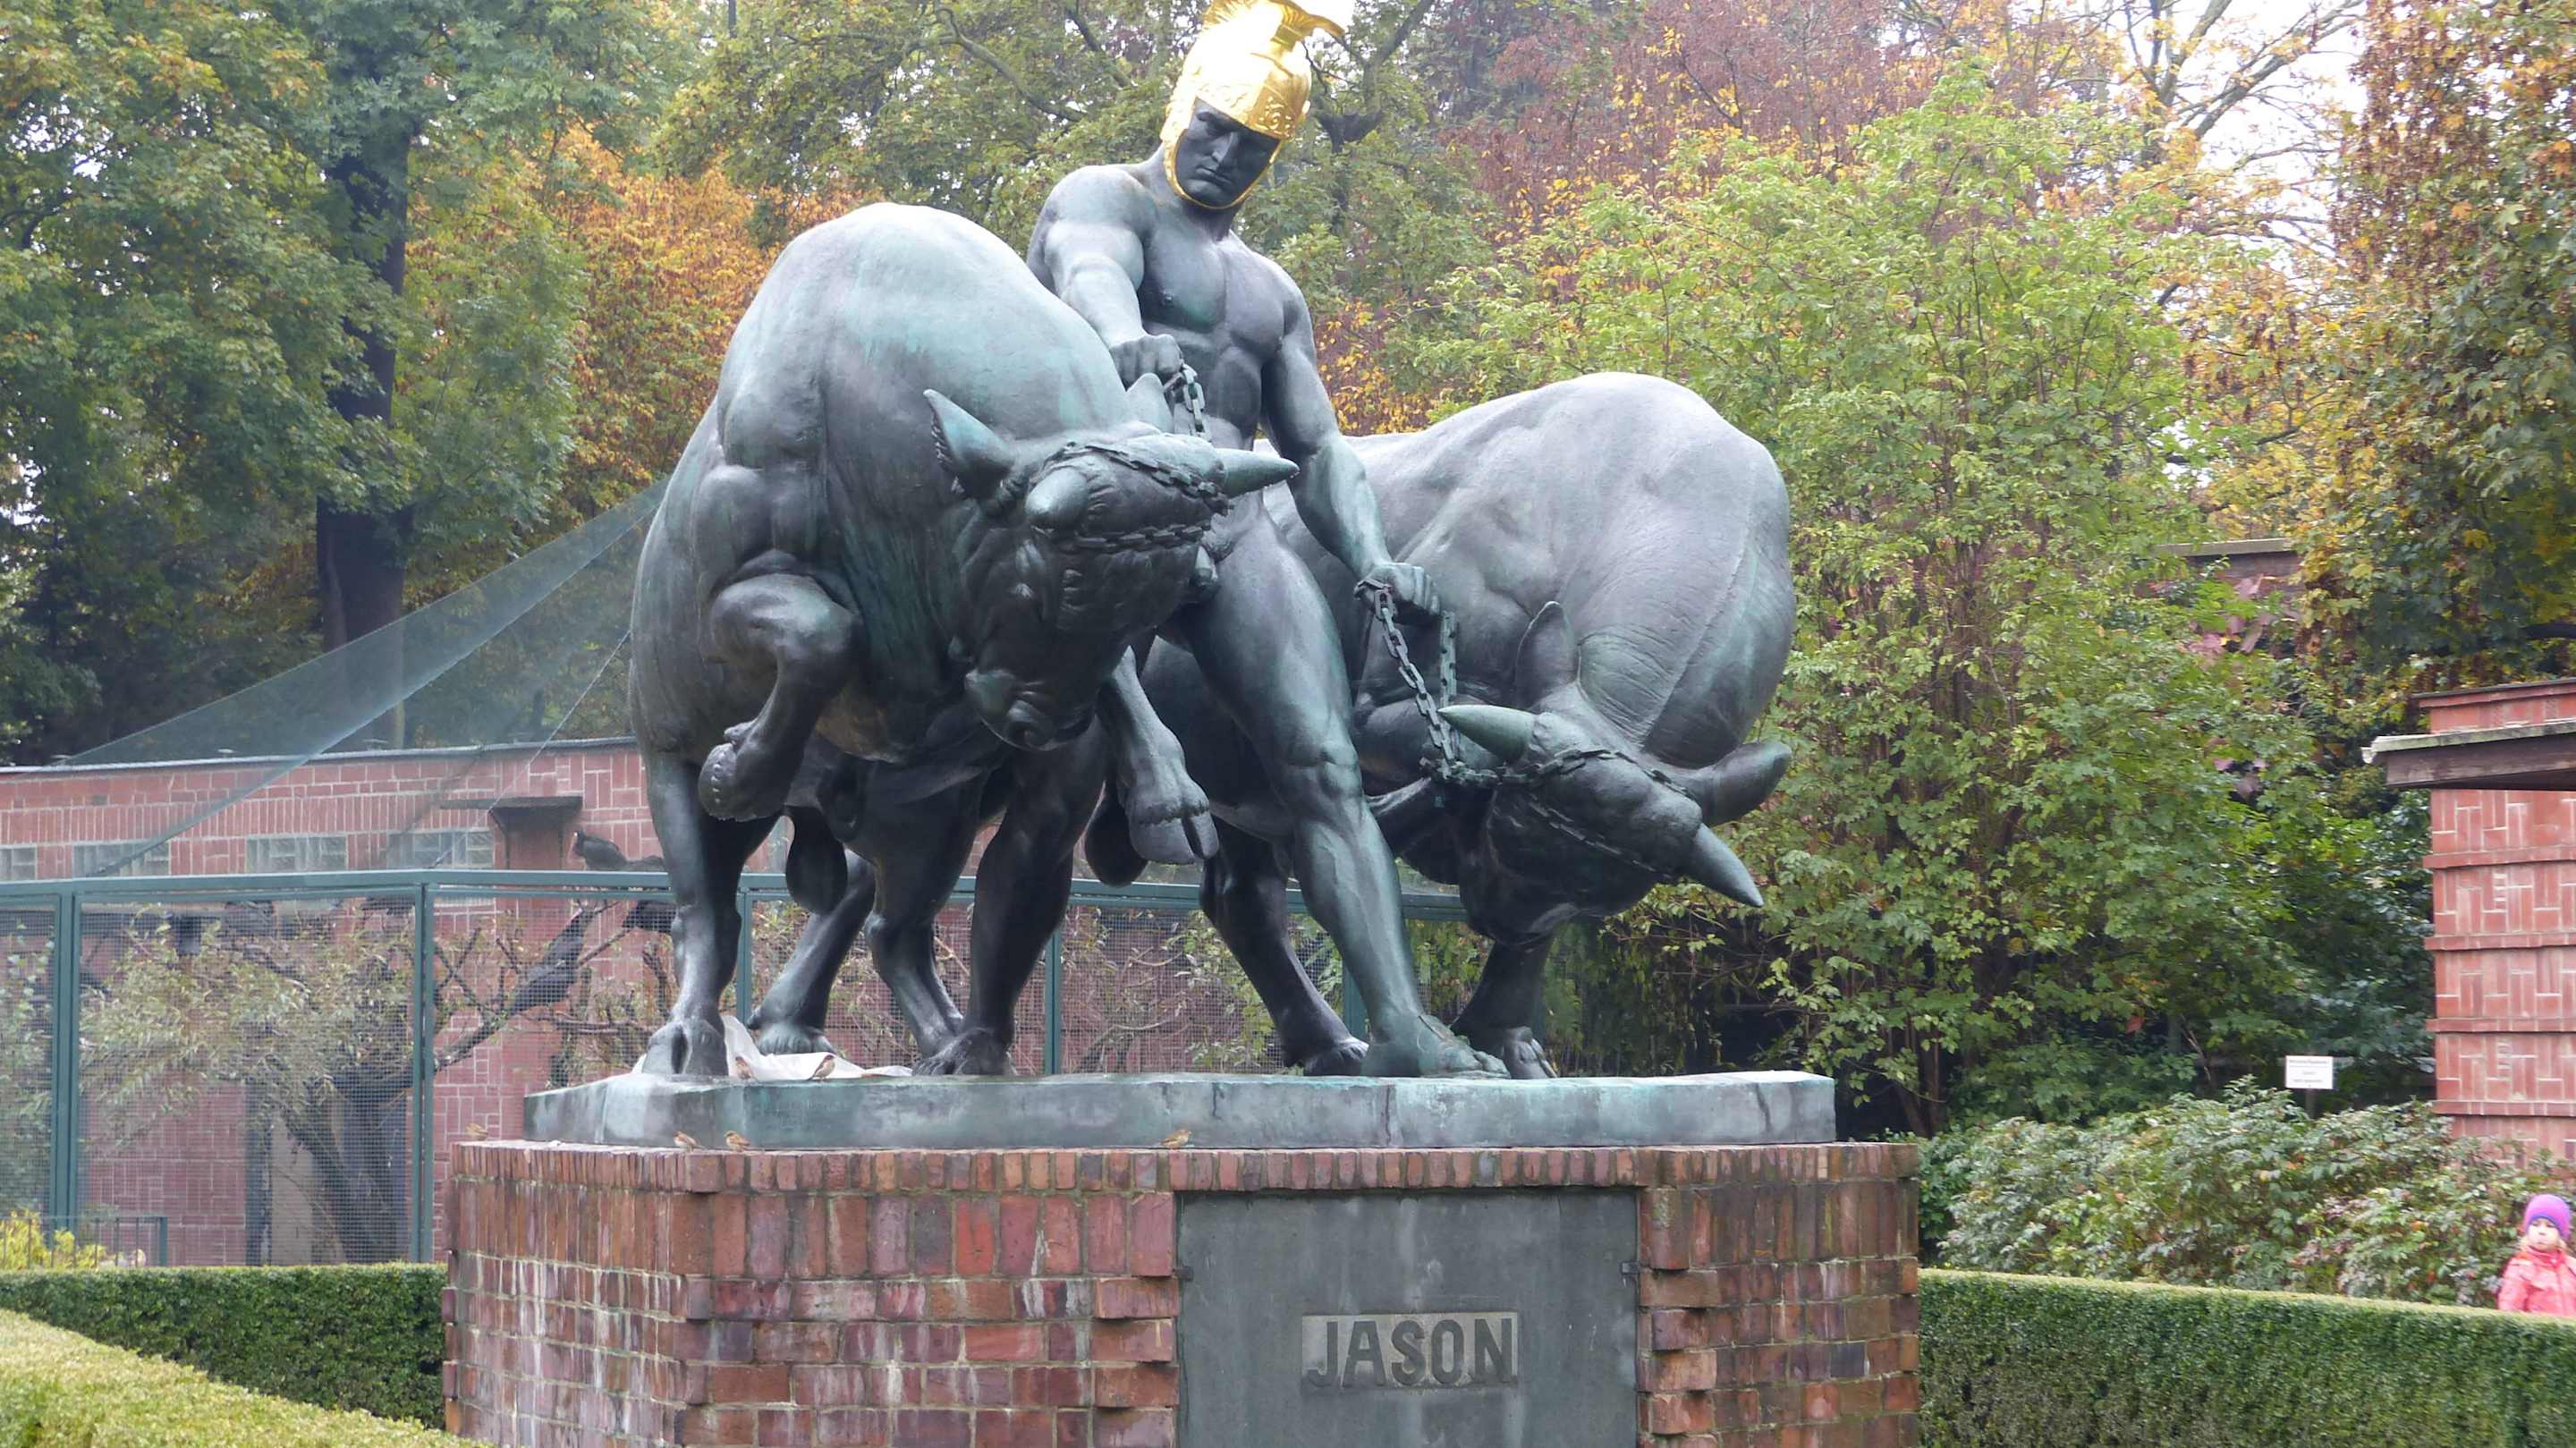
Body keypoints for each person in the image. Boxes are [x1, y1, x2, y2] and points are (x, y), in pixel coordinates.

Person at [1026, 0, 1496, 1077]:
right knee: (1046, 792)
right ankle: (978, 1028)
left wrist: (1372, 558)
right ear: (1183, 104)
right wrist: (1123, 339)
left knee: (1326, 766)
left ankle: (1401, 1026)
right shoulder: (1103, 198)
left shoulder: (1270, 292)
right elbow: (1088, 270)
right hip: (1107, 511)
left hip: (1234, 531)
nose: (1228, 156)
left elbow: (1318, 448)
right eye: (1218, 128)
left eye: (1257, 146)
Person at [2498, 1192, 2576, 1317]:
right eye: (2535, 1224)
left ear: (2561, 1233)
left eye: (2550, 1226)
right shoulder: (2521, 1268)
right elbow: (2509, 1315)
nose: (2541, 1231)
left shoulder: (2572, 1267)